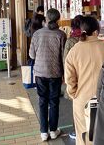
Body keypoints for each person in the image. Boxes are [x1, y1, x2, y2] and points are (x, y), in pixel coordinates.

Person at [65, 16, 104, 145]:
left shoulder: (74, 51)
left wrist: (73, 94)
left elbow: (69, 79)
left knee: (83, 135)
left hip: (82, 99)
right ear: (96, 32)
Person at [29, 8, 67, 141]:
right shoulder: (61, 34)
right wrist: (64, 74)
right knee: (54, 101)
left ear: (46, 18)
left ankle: (43, 132)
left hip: (40, 72)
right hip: (55, 73)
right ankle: (53, 130)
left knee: (42, 101)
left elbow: (31, 55)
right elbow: (64, 57)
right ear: (58, 19)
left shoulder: (37, 34)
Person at [63, 14, 84, 140]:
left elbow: (65, 59)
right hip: (87, 75)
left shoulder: (71, 40)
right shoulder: (88, 38)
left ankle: (77, 131)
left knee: (76, 105)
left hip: (75, 76)